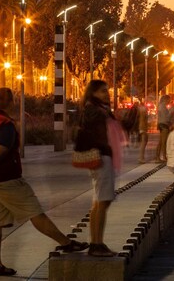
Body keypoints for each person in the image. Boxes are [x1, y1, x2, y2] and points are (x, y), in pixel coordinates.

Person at [0, 87, 86, 277]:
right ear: (9, 102)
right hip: (7, 180)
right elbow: (0, 152)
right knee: (35, 212)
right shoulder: (5, 124)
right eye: (13, 100)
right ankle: (66, 243)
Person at [75, 80, 123, 257]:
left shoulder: (95, 109)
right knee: (103, 201)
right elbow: (97, 133)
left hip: (102, 157)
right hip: (101, 158)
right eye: (103, 91)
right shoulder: (95, 111)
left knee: (99, 201)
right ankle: (96, 244)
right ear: (93, 92)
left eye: (107, 91)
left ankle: (96, 242)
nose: (107, 94)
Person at [156, 93, 172, 163]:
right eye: (169, 100)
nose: (169, 101)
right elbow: (165, 117)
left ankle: (158, 157)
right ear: (165, 99)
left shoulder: (161, 106)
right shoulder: (163, 107)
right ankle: (163, 157)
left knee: (161, 142)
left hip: (161, 124)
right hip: (164, 125)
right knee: (163, 142)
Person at [136, 98, 150, 163]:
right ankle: (141, 158)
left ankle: (141, 157)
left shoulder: (141, 111)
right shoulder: (143, 112)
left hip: (142, 127)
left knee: (144, 142)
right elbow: (144, 121)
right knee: (143, 142)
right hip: (142, 128)